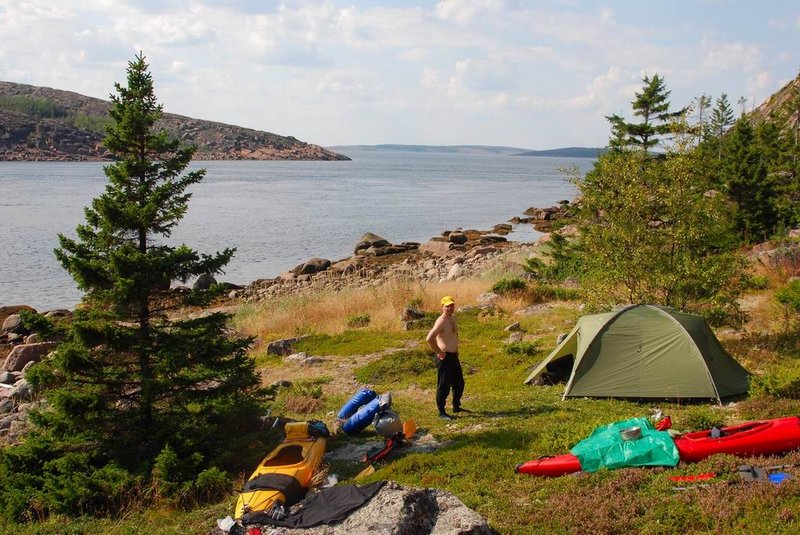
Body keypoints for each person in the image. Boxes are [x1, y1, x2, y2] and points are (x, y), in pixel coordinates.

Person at [426, 295, 465, 420]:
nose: (450, 308)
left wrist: (456, 349)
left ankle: (456, 405)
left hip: (453, 355)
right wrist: (439, 351)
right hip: (444, 357)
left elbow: (454, 335)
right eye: (447, 306)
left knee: (459, 383)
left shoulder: (452, 318)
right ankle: (441, 411)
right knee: (444, 385)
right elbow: (429, 338)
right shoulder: (441, 321)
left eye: (451, 305)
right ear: (442, 307)